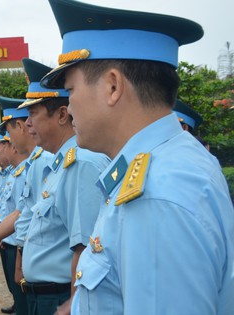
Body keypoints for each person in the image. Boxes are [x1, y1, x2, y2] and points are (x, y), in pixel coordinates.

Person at [40, 0, 234, 314]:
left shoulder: (154, 194)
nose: (69, 107)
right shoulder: (171, 162)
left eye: (71, 90)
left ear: (113, 86)